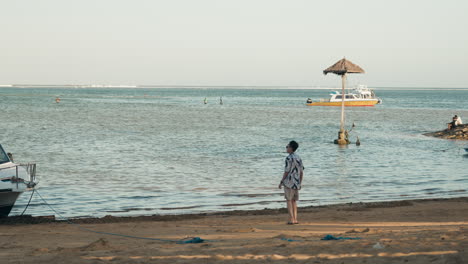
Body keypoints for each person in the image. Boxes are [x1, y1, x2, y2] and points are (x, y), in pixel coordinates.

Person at [278, 140, 304, 225]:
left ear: (291, 148)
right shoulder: (298, 157)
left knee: (289, 200)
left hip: (289, 182)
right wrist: (300, 182)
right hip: (296, 182)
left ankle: (291, 219)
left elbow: (286, 171)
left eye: (287, 146)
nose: (286, 148)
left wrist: (281, 181)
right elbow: (301, 171)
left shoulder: (288, 158)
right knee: (294, 201)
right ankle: (295, 219)